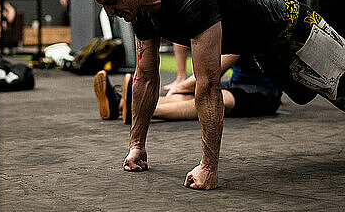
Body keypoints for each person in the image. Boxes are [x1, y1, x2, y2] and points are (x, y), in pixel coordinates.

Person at [88, 0, 345, 190]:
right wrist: (136, 146)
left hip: (295, 29)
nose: (111, 13)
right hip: (264, 53)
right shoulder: (140, 12)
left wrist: (209, 168)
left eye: (112, 2)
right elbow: (145, 77)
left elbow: (209, 83)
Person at [93, 54, 282, 123]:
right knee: (196, 92)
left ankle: (140, 110)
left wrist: (181, 85)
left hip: (264, 93)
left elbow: (215, 68)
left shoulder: (246, 25)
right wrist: (183, 87)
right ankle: (120, 105)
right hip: (237, 84)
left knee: (217, 98)